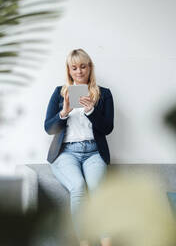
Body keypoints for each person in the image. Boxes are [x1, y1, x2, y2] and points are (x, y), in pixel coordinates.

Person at [44, 49, 114, 246]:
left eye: (83, 66)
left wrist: (91, 110)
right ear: (69, 70)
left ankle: (106, 242)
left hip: (94, 152)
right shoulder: (60, 93)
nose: (79, 71)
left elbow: (107, 128)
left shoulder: (104, 94)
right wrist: (64, 112)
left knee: (99, 191)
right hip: (66, 153)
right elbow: (49, 128)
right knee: (78, 187)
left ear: (89, 67)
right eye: (74, 68)